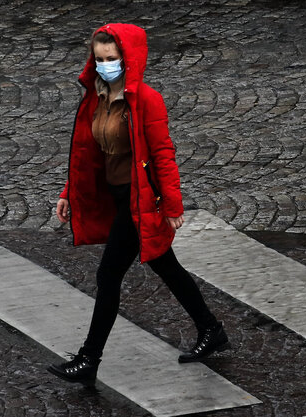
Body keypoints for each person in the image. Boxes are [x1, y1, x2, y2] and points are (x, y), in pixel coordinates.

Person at [48, 23, 229, 387]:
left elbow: (162, 154)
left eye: (111, 59)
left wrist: (173, 206)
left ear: (127, 59)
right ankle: (211, 329)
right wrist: (69, 191)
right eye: (98, 59)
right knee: (165, 264)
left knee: (108, 275)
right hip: (115, 197)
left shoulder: (147, 100)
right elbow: (87, 154)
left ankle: (89, 359)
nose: (104, 66)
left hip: (138, 200)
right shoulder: (95, 99)